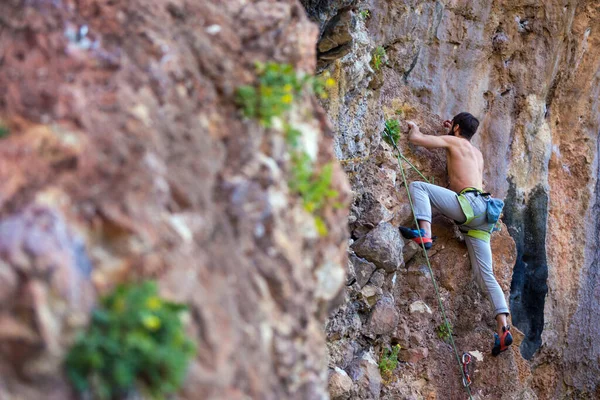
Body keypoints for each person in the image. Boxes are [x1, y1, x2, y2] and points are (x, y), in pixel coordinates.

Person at [399, 112, 512, 356]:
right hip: (485, 215)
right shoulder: (477, 154)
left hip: (468, 206)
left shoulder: (453, 141)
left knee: (419, 187)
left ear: (457, 127)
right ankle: (503, 326)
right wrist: (454, 131)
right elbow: (462, 152)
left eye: (453, 127)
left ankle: (425, 233)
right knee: (486, 275)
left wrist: (414, 126)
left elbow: (417, 139)